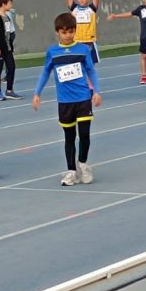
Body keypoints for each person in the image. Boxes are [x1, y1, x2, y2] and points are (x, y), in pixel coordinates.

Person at [32, 13, 102, 186]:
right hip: (65, 102)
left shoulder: (83, 50)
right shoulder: (52, 52)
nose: (68, 35)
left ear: (75, 31)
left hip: (83, 98)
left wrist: (97, 91)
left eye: (71, 31)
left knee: (84, 134)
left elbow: (91, 70)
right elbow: (45, 72)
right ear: (58, 33)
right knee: (69, 137)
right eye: (64, 32)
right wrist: (37, 93)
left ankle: (83, 164)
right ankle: (71, 171)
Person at [108, 0, 146, 84]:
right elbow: (129, 14)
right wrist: (115, 16)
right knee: (144, 56)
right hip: (144, 37)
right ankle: (144, 76)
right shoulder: (140, 9)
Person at [63, 0, 102, 64]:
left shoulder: (91, 9)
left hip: (89, 41)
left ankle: (89, 79)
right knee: (77, 66)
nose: (81, 0)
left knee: (90, 67)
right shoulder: (74, 8)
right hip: (76, 41)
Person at [0, 0, 22, 102]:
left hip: (7, 48)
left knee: (11, 67)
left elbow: (7, 33)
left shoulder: (7, 16)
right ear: (3, 4)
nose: (11, 5)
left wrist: (10, 46)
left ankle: (9, 90)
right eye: (9, 3)